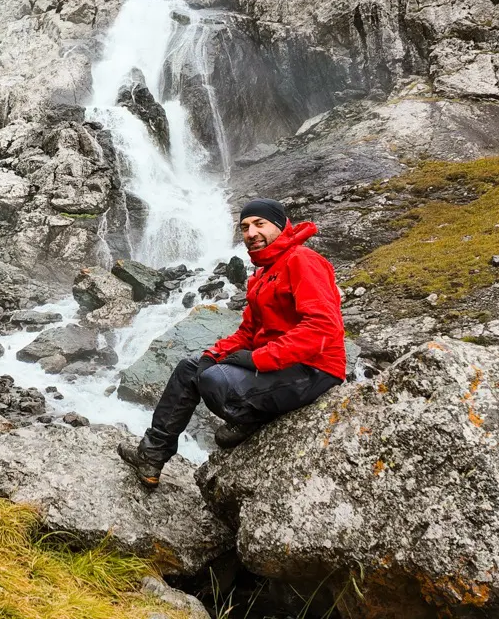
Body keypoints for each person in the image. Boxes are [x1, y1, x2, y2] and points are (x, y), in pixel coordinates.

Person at [119, 198, 347, 488]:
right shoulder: (262, 274)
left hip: (314, 369)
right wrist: (214, 353)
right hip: (280, 366)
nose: (251, 233)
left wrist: (257, 359)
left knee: (216, 381)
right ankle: (150, 455)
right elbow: (248, 333)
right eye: (245, 227)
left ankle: (252, 420)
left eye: (259, 224)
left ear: (280, 225)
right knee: (191, 368)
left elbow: (322, 327)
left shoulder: (302, 260)